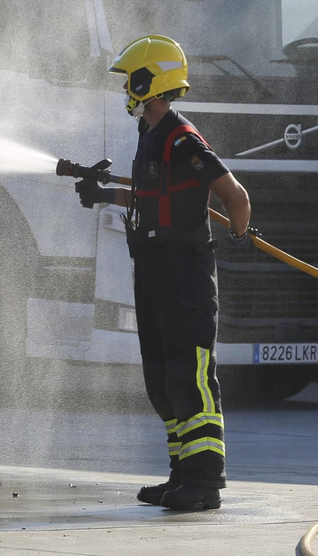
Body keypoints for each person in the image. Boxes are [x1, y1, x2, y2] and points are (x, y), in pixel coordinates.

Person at [73, 35, 252, 512]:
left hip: (184, 277)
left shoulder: (181, 136)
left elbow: (235, 196)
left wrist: (239, 232)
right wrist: (103, 195)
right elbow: (152, 198)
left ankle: (205, 481)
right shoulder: (149, 136)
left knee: (190, 376)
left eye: (130, 80)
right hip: (153, 273)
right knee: (162, 379)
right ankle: (180, 476)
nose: (125, 89)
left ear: (150, 81)